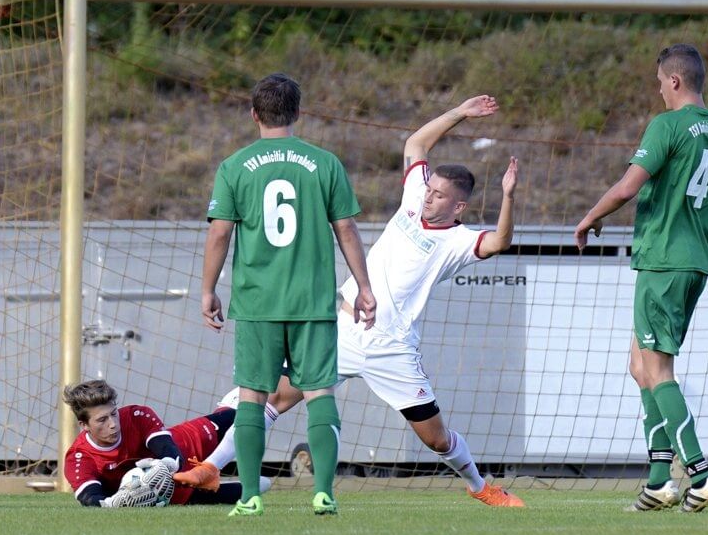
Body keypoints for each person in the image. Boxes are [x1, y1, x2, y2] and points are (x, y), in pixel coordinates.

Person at [184, 94, 525, 508]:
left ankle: (480, 487)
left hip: (392, 348)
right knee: (273, 398)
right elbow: (416, 145)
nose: (428, 196)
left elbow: (501, 241)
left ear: (459, 206)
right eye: (429, 188)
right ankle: (212, 468)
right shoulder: (412, 199)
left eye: (438, 195)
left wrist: (507, 196)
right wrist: (459, 113)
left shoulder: (458, 241)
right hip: (344, 329)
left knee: (435, 439)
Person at [574, 43, 708, 512]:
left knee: (659, 370)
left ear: (673, 81)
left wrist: (589, 218)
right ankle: (657, 482)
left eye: (659, 83)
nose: (659, 92)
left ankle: (701, 475)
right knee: (640, 367)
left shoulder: (667, 125)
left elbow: (629, 185)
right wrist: (689, 219)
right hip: (694, 262)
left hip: (662, 262)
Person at [202, 73, 376, 517]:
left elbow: (220, 233)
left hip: (257, 303)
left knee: (252, 398)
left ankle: (249, 497)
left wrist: (208, 289)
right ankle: (323, 492)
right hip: (312, 302)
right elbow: (346, 229)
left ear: (254, 114)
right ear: (298, 113)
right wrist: (364, 287)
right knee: (319, 393)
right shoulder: (325, 163)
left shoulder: (235, 165)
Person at [62, 379, 271, 508]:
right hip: (180, 492)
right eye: (101, 420)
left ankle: (230, 404)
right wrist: (113, 504)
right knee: (257, 488)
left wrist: (162, 469)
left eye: (113, 414)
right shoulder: (79, 457)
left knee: (250, 415)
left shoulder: (136, 415)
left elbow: (170, 452)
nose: (112, 424)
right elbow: (90, 498)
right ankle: (209, 480)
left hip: (191, 441)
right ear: (84, 425)